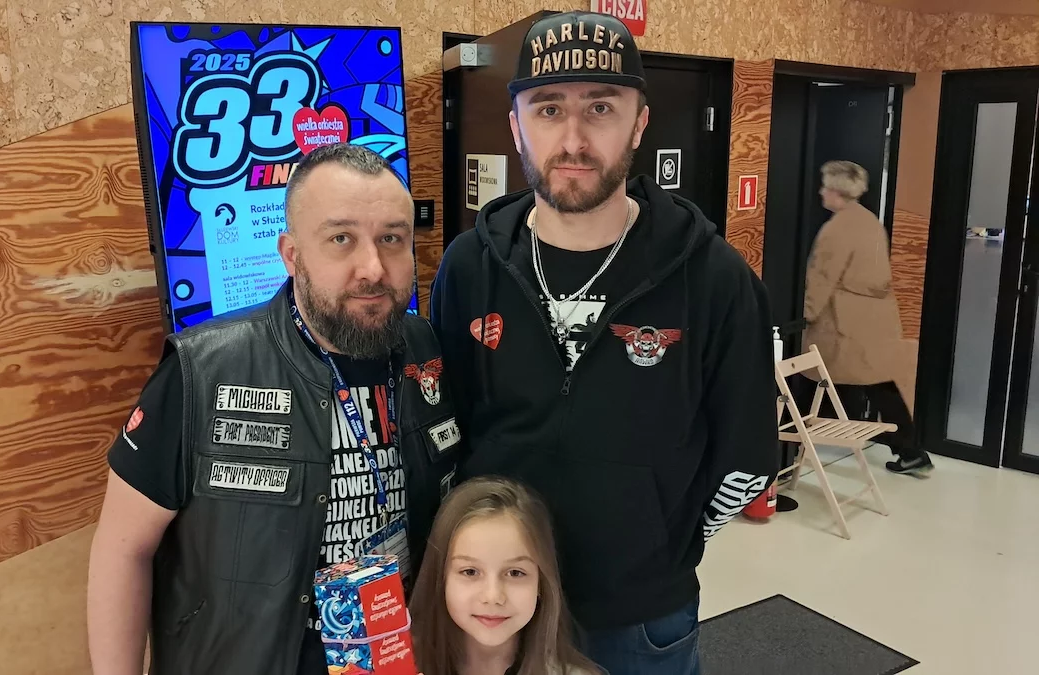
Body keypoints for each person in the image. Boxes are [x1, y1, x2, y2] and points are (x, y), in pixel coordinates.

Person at [428, 11, 779, 675]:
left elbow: (747, 453)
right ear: (516, 126)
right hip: (495, 612)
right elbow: (446, 432)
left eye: (600, 107)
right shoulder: (470, 266)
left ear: (639, 123)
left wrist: (662, 548)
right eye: (548, 109)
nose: (573, 138)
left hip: (639, 618)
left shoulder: (715, 277)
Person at [86, 143, 462, 675]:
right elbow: (123, 550)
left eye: (391, 239)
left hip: (393, 654)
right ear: (291, 254)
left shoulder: (426, 349)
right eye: (341, 238)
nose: (373, 268)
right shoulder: (202, 370)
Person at [804, 160, 933, 476]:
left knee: (806, 374)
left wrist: (805, 313)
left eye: (825, 186)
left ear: (836, 191)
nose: (821, 192)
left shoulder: (836, 229)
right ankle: (910, 449)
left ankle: (789, 444)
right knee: (878, 382)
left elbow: (822, 277)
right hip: (875, 318)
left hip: (846, 322)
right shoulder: (868, 221)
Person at [410, 477, 600, 675]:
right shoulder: (397, 664)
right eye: (470, 572)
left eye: (515, 573)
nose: (493, 596)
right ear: (440, 578)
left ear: (541, 583)